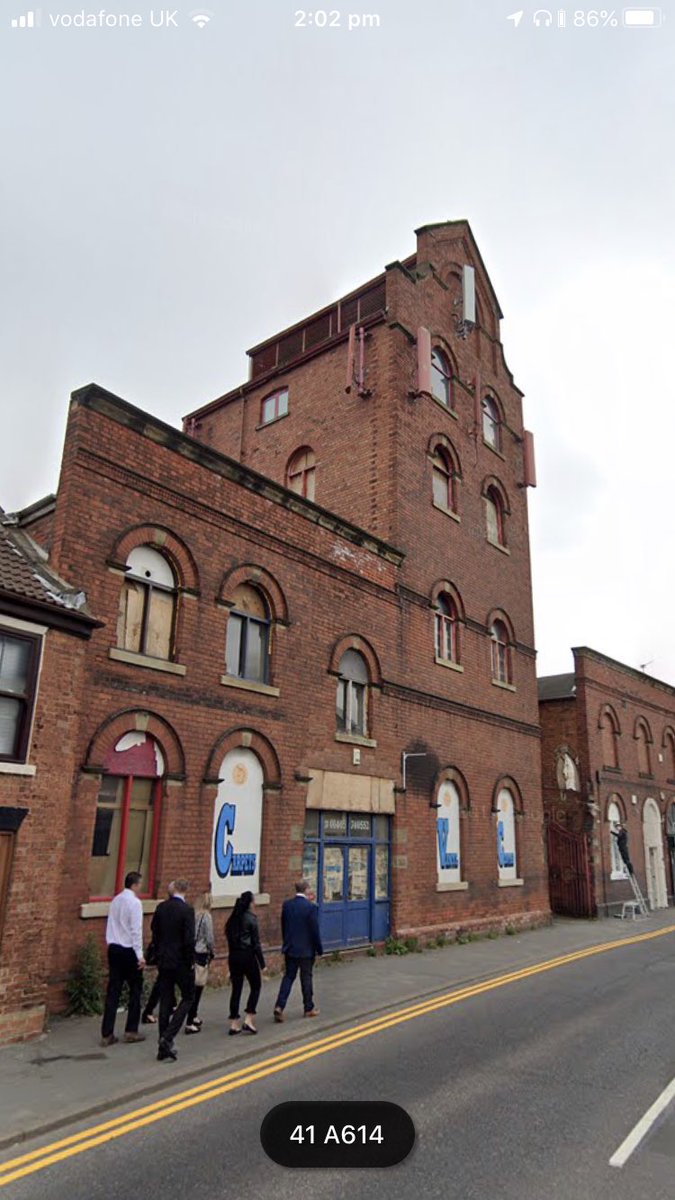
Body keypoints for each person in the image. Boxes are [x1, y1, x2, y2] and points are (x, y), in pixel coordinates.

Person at [150, 877, 195, 1061]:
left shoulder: (161, 908)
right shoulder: (187, 911)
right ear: (185, 890)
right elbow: (189, 939)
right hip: (181, 962)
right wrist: (191, 961)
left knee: (166, 1001)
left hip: (164, 961)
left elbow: (155, 931)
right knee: (188, 997)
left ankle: (162, 1045)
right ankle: (168, 1037)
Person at [100, 871, 146, 1047]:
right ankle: (131, 1030)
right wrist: (140, 956)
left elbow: (111, 924)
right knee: (135, 990)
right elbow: (136, 930)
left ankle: (107, 1033)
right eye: (139, 884)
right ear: (134, 885)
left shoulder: (116, 900)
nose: (140, 887)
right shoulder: (134, 903)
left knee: (113, 991)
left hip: (113, 948)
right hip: (128, 950)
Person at [273, 879, 323, 1023]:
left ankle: (279, 1006)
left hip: (291, 949)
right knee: (306, 978)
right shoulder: (310, 907)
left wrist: (286, 943)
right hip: (306, 950)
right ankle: (308, 1008)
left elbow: (284, 926)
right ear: (306, 889)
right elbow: (315, 931)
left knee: (288, 977)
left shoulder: (287, 905)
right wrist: (319, 949)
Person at [225, 891, 265, 1035]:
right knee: (256, 985)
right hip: (247, 956)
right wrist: (262, 963)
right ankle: (249, 1017)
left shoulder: (232, 919)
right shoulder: (251, 919)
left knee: (236, 989)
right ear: (250, 903)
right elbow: (256, 943)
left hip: (233, 956)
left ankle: (234, 1023)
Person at [142, 882, 175, 1025]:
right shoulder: (182, 909)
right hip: (172, 953)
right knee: (163, 981)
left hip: (161, 951)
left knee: (166, 979)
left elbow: (153, 927)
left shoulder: (161, 907)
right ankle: (148, 1011)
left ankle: (171, 1004)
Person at [185, 892, 215, 1034]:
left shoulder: (194, 915)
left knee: (193, 985)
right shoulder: (206, 917)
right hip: (202, 952)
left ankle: (194, 1015)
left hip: (191, 951)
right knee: (198, 987)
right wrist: (212, 950)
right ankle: (190, 1020)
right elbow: (209, 938)